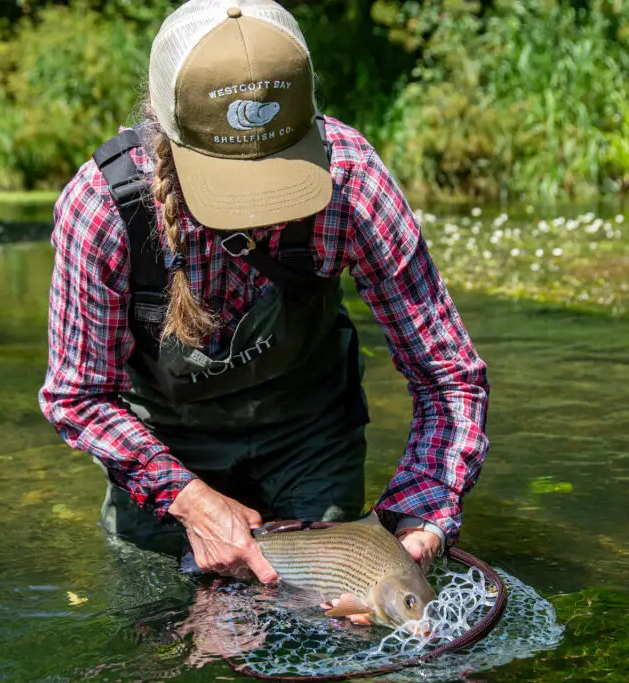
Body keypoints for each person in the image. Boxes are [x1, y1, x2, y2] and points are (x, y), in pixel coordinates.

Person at [39, 0, 490, 606]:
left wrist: (419, 512)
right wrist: (189, 499)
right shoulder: (103, 210)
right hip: (164, 446)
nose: (260, 212)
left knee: (328, 628)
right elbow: (79, 396)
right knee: (167, 627)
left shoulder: (352, 181)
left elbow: (448, 377)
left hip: (310, 435)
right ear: (162, 131)